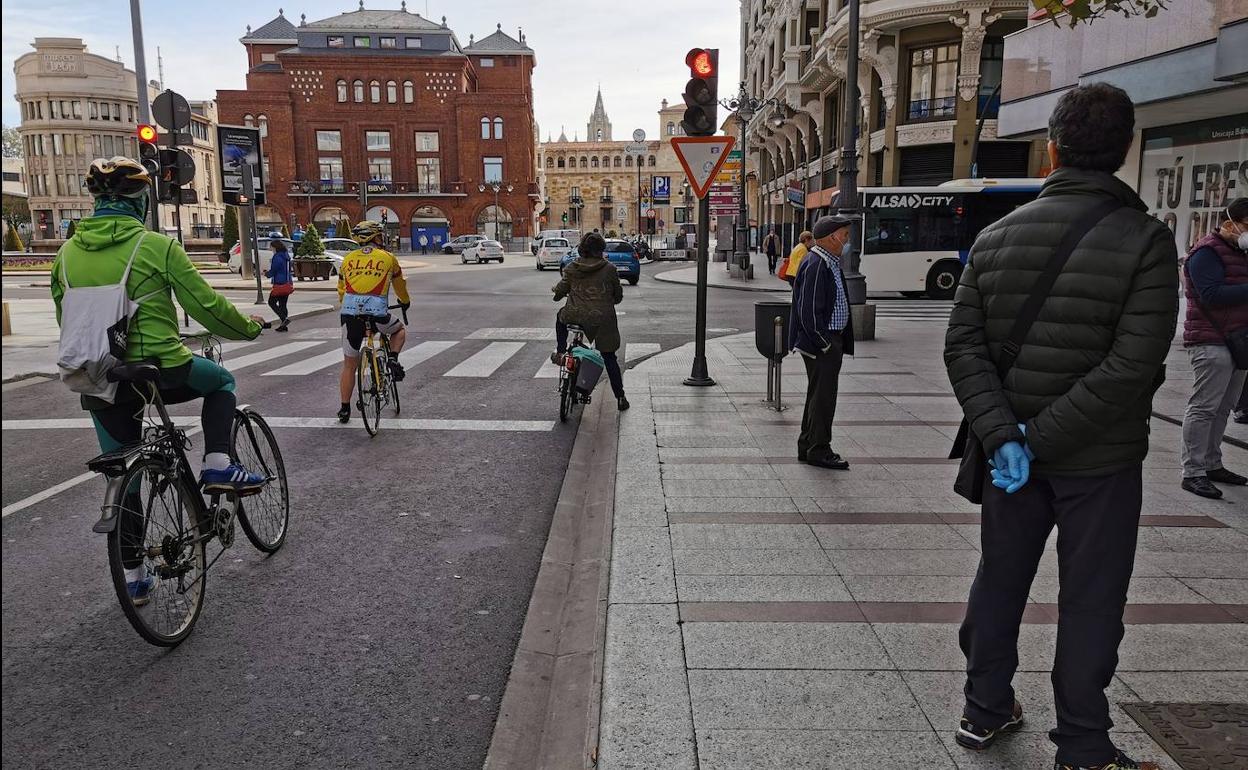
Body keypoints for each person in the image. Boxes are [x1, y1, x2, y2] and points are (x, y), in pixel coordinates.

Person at [944, 83, 1176, 770]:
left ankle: (983, 711)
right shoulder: (1147, 242)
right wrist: (1037, 438)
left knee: (999, 581)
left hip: (1011, 454)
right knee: (1091, 601)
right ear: (1126, 149)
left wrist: (1009, 437)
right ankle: (1081, 746)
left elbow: (963, 349)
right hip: (1100, 462)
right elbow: (1133, 366)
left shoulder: (996, 237)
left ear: (1051, 148)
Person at [52, 157, 268, 604]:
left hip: (102, 377)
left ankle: (133, 580)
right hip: (161, 369)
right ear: (141, 200)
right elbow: (205, 306)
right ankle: (217, 463)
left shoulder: (65, 254)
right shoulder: (155, 246)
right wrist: (247, 327)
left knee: (124, 473)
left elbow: (67, 319)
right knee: (222, 383)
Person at [1178, 197, 1248, 499]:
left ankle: (1211, 462)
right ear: (1231, 223)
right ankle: (1192, 471)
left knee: (1224, 406)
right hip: (1211, 340)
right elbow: (1211, 294)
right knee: (1204, 407)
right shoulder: (1206, 252)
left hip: (1238, 340)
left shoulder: (1240, 253)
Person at [789, 215, 854, 470]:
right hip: (822, 343)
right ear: (832, 237)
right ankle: (820, 449)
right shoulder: (818, 263)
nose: (847, 240)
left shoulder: (828, 261)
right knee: (824, 398)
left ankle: (808, 445)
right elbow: (809, 310)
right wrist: (824, 343)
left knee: (818, 397)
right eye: (845, 235)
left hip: (826, 341)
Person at [336, 220, 410, 423]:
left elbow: (341, 289)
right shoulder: (388, 258)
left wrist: (349, 306)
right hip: (377, 313)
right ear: (376, 237)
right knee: (399, 330)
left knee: (349, 365)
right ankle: (393, 359)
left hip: (350, 314)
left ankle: (344, 408)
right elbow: (399, 284)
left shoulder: (347, 259)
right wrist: (405, 302)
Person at [550, 232, 628, 411]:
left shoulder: (571, 268)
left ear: (582, 249)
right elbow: (618, 296)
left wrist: (557, 293)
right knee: (609, 358)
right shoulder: (609, 269)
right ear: (601, 250)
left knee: (560, 318)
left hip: (575, 315)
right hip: (602, 319)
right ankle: (620, 397)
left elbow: (560, 290)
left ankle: (561, 352)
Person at [263, 237, 293, 332]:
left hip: (279, 283)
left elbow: (274, 270)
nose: (271, 249)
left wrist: (267, 274)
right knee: (283, 305)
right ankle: (283, 326)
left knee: (271, 302)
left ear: (275, 247)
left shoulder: (277, 257)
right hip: (288, 282)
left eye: (271, 247)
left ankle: (284, 319)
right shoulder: (286, 255)